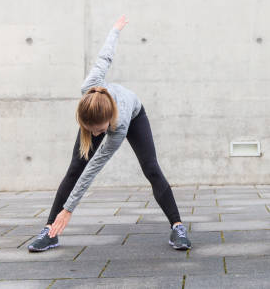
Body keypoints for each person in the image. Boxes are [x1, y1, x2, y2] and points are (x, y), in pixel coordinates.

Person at [28, 16, 191, 252]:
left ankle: (177, 227)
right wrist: (114, 31)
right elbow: (105, 57)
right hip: (102, 111)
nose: (96, 134)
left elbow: (94, 168)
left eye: (100, 131)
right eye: (90, 130)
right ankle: (50, 232)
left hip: (135, 115)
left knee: (151, 168)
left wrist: (69, 208)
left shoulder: (120, 125)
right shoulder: (89, 87)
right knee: (75, 168)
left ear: (108, 123)